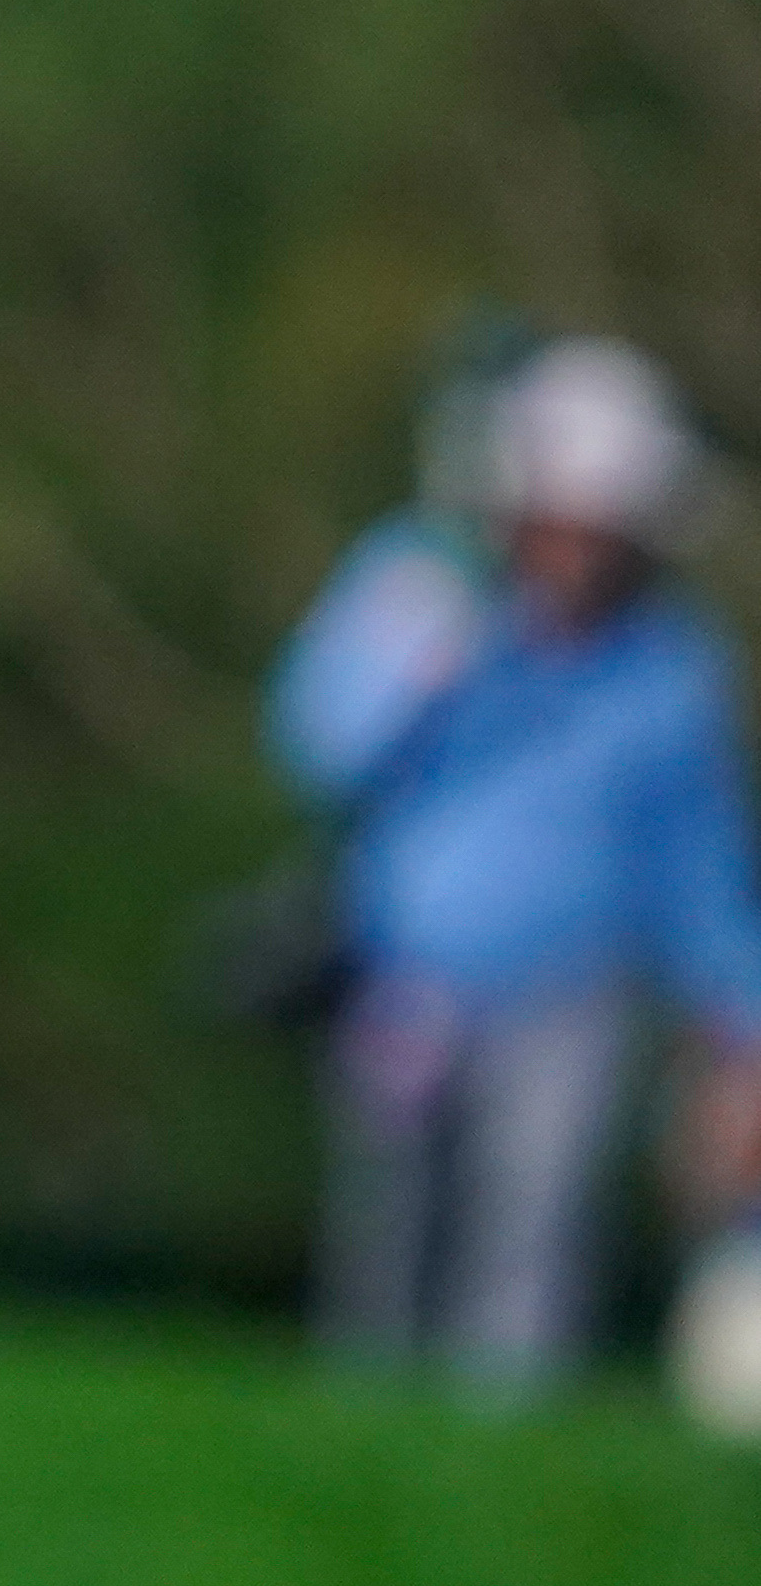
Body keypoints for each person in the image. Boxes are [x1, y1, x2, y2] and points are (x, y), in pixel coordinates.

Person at [270, 334, 761, 1399]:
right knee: (386, 1238)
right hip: (406, 988)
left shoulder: (669, 671)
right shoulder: (418, 583)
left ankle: (501, 1458)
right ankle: (362, 1454)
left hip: (567, 1003)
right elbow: (320, 744)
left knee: (528, 1250)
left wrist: (744, 1028)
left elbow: (698, 870)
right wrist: (412, 660)